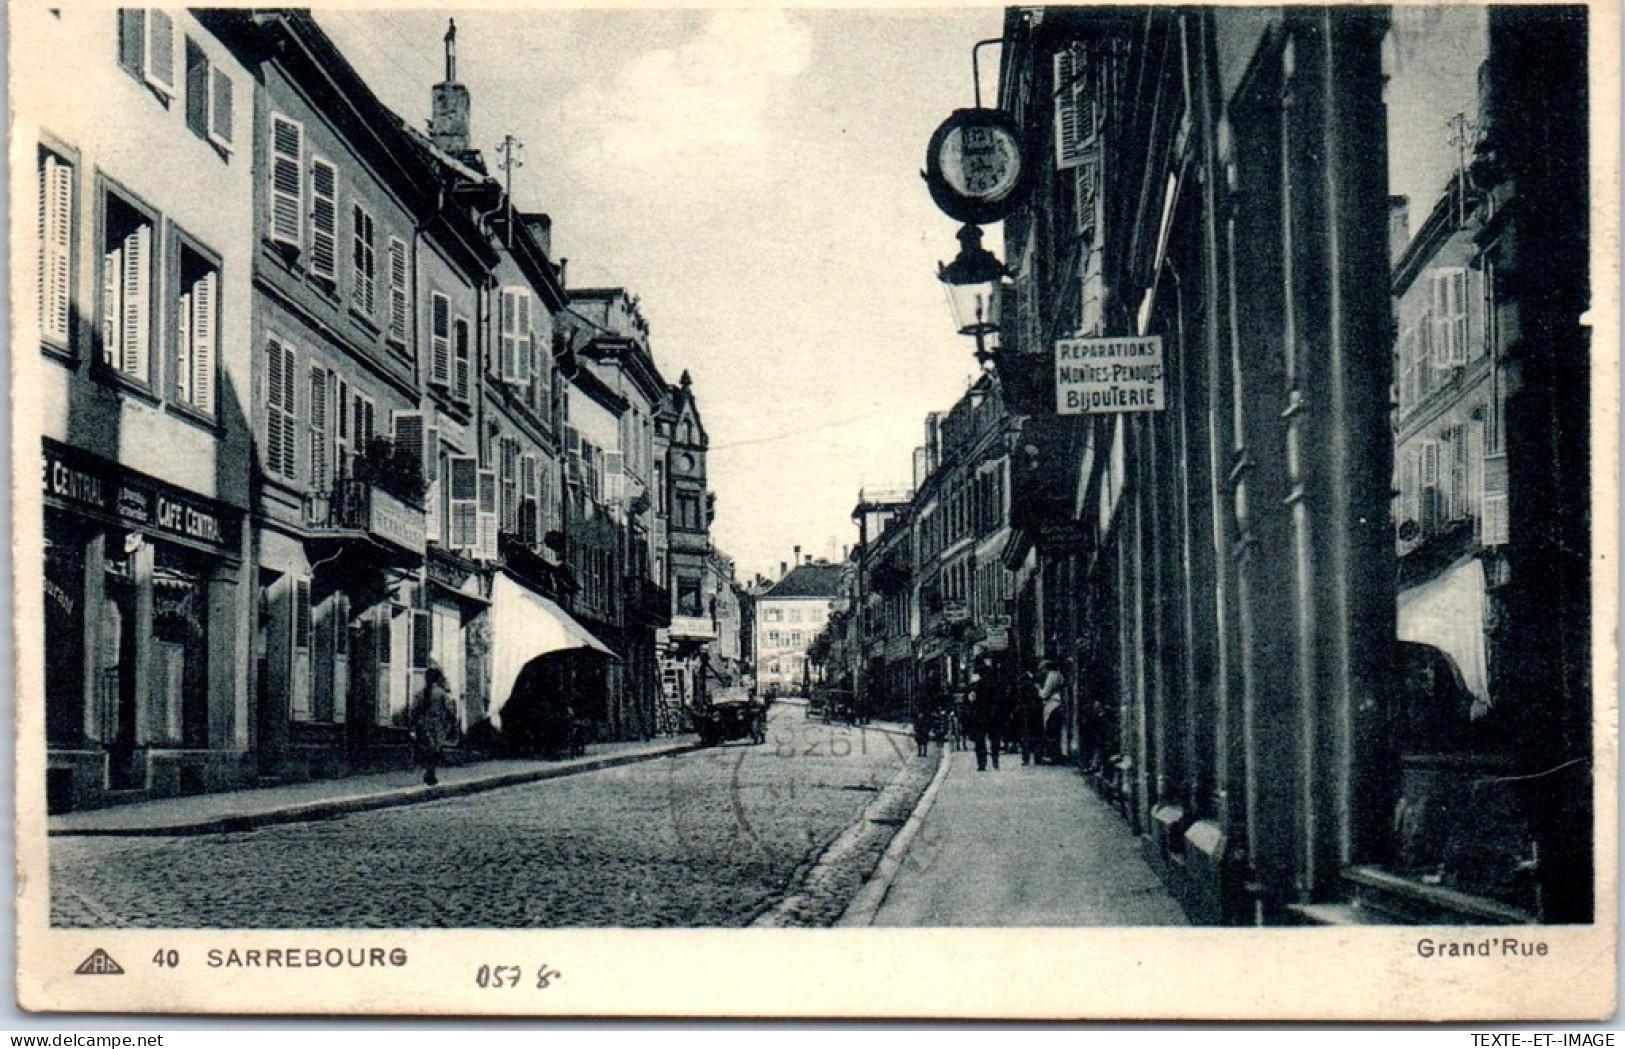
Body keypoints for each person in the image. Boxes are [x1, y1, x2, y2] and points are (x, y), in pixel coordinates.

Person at [412, 665, 456, 786]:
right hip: (437, 725)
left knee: (427, 749)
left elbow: (414, 709)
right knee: (435, 749)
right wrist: (452, 721)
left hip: (423, 724)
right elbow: (449, 709)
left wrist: (414, 725)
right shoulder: (441, 693)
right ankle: (430, 773)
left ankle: (429, 772)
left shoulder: (420, 693)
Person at [968, 657, 1005, 771]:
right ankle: (995, 760)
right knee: (994, 738)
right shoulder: (995, 680)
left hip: (980, 713)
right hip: (993, 712)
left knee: (980, 739)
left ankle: (982, 763)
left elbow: (971, 697)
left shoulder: (976, 681)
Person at [1019, 665, 1046, 766]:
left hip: (1026, 712)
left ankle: (1026, 758)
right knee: (1037, 734)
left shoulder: (1022, 684)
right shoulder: (1034, 684)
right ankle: (1037, 757)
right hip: (1036, 711)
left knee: (1026, 735)